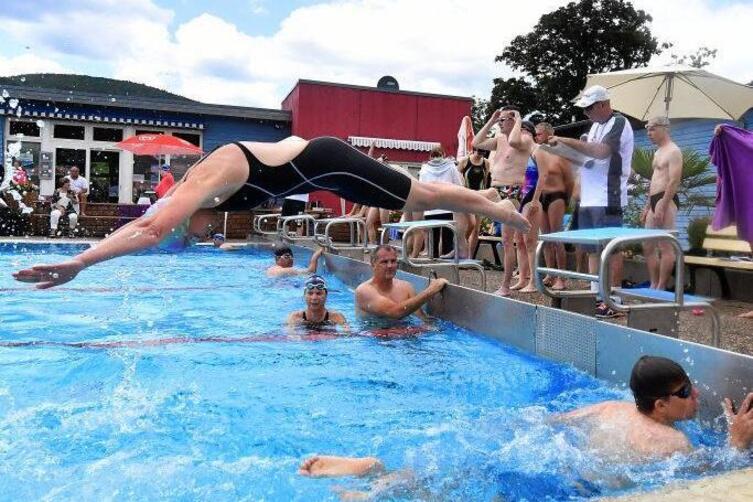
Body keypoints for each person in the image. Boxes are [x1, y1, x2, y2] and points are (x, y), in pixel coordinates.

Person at [14, 136, 529, 289]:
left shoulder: (207, 180)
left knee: (424, 198)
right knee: (421, 200)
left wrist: (82, 262)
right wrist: (89, 253)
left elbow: (149, 228)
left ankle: (498, 206)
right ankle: (492, 204)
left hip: (322, 160)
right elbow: (142, 226)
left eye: (185, 235)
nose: (189, 237)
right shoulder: (196, 201)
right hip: (313, 176)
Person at [556, 355, 753, 460]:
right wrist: (737, 443)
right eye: (684, 392)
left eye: (690, 385)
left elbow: (554, 421)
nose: (696, 393)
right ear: (660, 405)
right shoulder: (674, 442)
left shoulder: (609, 407)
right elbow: (711, 484)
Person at [546, 86, 634, 317]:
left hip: (608, 194)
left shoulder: (618, 122)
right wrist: (562, 150)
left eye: (589, 108)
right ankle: (596, 295)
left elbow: (602, 152)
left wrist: (567, 141)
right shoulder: (596, 125)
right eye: (584, 109)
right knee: (593, 249)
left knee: (611, 248)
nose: (586, 113)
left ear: (603, 104)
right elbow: (588, 160)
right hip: (589, 195)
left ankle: (614, 299)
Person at [473, 108, 537, 296]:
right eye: (499, 120)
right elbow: (477, 143)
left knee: (508, 240)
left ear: (514, 121)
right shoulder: (500, 139)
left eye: (503, 120)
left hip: (513, 191)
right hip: (496, 188)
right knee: (467, 199)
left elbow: (514, 141)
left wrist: (518, 118)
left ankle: (505, 286)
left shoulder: (524, 139)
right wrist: (491, 121)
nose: (500, 123)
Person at [641, 117, 682, 290]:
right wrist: (647, 206)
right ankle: (653, 283)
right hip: (653, 200)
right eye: (647, 129)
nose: (649, 133)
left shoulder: (674, 151)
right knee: (647, 245)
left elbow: (674, 181)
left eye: (652, 129)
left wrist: (663, 205)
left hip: (667, 200)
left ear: (664, 128)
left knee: (665, 245)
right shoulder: (658, 152)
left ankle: (662, 286)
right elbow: (654, 180)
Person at [355, 244, 447, 321]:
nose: (390, 266)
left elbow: (422, 319)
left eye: (393, 261)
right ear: (373, 264)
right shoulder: (364, 291)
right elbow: (394, 312)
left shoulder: (406, 287)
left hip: (403, 335)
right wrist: (431, 291)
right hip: (373, 338)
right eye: (384, 262)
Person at [534, 122, 575, 291]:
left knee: (556, 238)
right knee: (546, 237)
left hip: (557, 196)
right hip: (543, 196)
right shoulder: (538, 154)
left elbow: (570, 180)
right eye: (535, 134)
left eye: (539, 134)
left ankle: (561, 277)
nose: (537, 137)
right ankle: (550, 273)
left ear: (549, 134)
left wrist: (566, 199)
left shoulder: (560, 155)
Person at [414, 146, 472, 259]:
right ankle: (446, 264)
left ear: (430, 156)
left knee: (432, 240)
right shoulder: (451, 167)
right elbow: (458, 185)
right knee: (447, 240)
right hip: (447, 206)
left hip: (430, 208)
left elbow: (422, 187)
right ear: (443, 154)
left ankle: (433, 261)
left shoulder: (424, 169)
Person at [458, 148, 491, 257]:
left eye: (483, 152)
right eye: (479, 151)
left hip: (479, 197)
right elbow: (458, 180)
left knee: (476, 230)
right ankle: (461, 250)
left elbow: (485, 181)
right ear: (474, 149)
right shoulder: (464, 161)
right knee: (467, 226)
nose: (481, 154)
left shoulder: (486, 163)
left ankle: (470, 256)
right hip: (466, 197)